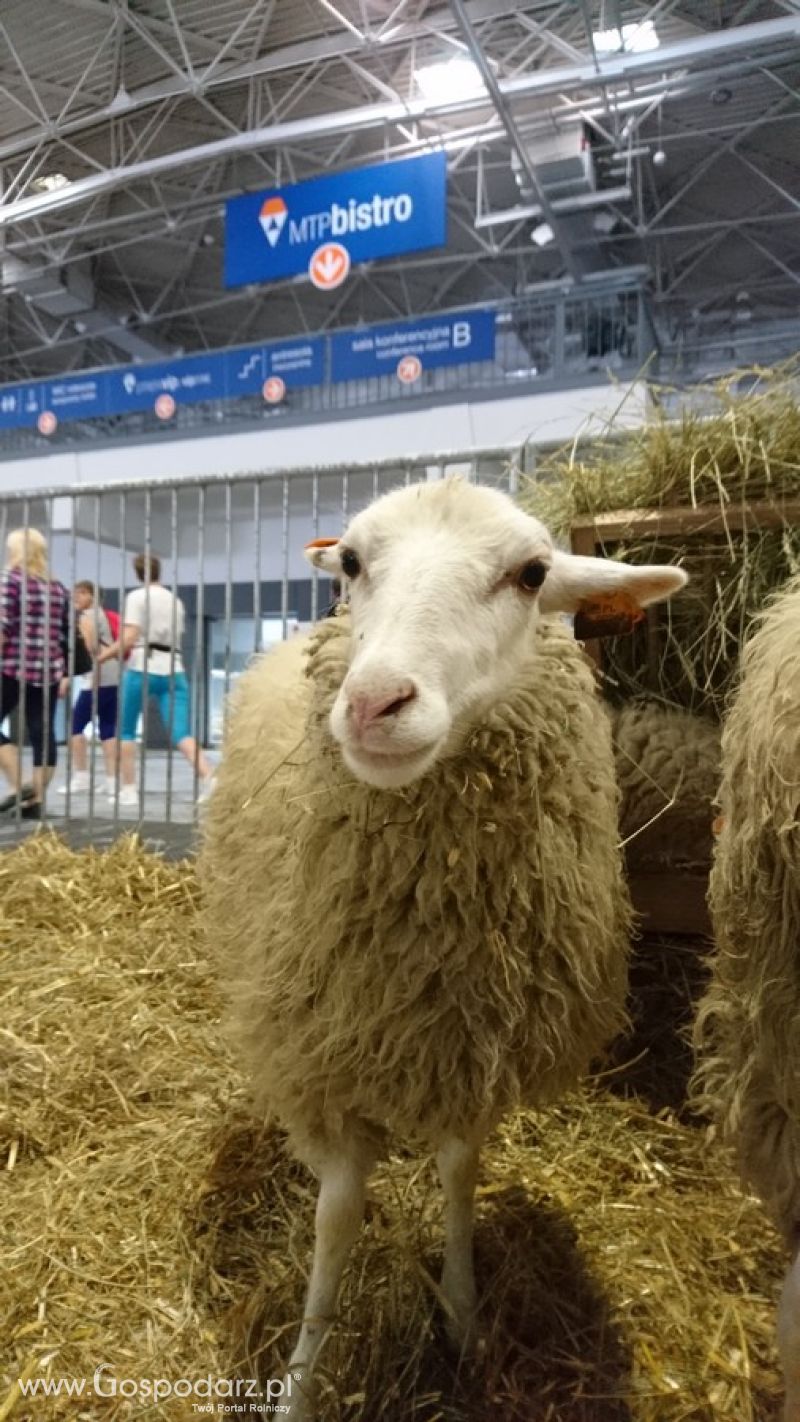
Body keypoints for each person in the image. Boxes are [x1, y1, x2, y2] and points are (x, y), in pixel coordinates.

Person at [97, 552, 213, 805]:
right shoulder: (175, 601)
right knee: (181, 732)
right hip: (174, 667)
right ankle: (209, 778)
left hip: (142, 665)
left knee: (125, 731)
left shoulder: (137, 597)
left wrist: (102, 656)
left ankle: (128, 790)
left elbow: (129, 637)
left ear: (137, 573)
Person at [0, 528, 70, 819]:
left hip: (12, 667)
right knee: (42, 732)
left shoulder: (10, 580)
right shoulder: (57, 587)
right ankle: (35, 800)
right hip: (48, 670)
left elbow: (2, 627)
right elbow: (64, 634)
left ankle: (20, 787)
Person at [59, 580, 119, 798]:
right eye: (75, 592)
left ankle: (81, 777)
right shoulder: (101, 613)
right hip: (113, 675)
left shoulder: (88, 616)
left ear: (93, 596)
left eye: (82, 593)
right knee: (108, 729)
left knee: (75, 727)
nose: (77, 596)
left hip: (98, 676)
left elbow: (92, 647)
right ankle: (112, 782)